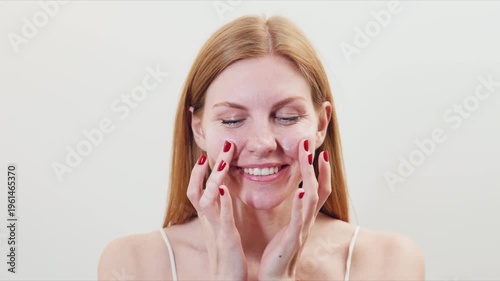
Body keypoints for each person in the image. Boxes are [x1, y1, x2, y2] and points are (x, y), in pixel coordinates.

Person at [98, 15, 425, 280]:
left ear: (321, 124)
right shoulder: (133, 265)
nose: (263, 143)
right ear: (197, 129)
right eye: (232, 120)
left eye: (286, 116)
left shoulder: (389, 263)